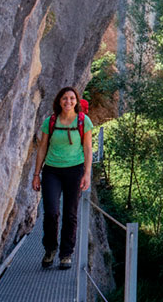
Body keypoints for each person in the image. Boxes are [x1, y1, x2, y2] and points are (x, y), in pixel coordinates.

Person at [31, 87, 94, 270]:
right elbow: (42, 148)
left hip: (74, 170)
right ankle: (50, 249)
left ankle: (66, 254)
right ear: (59, 101)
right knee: (51, 212)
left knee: (70, 214)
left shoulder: (84, 121)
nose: (68, 101)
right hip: (52, 171)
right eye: (65, 98)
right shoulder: (50, 121)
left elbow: (88, 148)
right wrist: (36, 174)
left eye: (72, 98)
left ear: (76, 101)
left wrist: (87, 173)